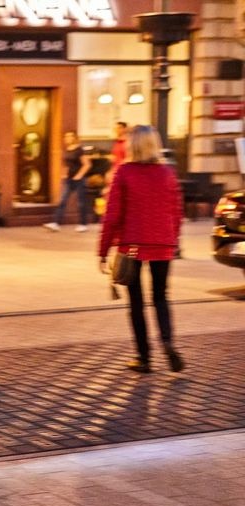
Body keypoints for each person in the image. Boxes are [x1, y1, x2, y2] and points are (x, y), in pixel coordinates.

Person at [98, 125, 184, 374]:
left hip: (132, 245)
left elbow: (112, 216)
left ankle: (143, 357)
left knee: (136, 302)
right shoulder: (168, 173)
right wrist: (172, 239)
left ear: (131, 145)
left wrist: (103, 251)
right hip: (163, 244)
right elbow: (176, 212)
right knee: (161, 296)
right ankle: (167, 342)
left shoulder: (124, 172)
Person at [44, 131, 93, 233]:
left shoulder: (79, 150)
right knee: (62, 201)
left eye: (69, 136)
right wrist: (64, 174)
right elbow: (67, 165)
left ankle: (83, 224)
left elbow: (87, 164)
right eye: (66, 136)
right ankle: (56, 223)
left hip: (79, 180)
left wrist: (79, 175)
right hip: (69, 179)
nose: (67, 138)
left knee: (81, 203)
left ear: (74, 137)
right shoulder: (67, 149)